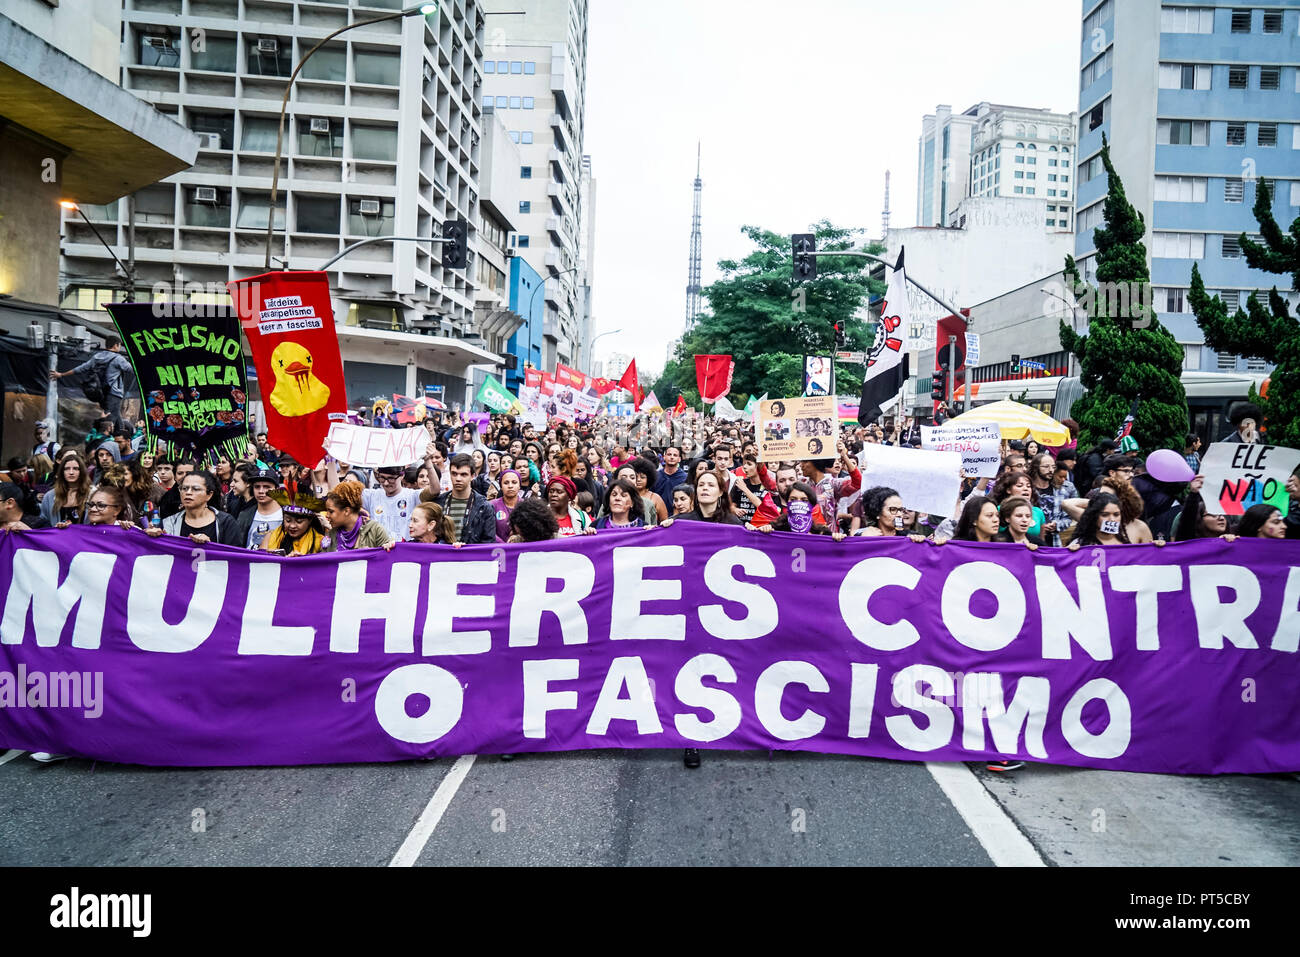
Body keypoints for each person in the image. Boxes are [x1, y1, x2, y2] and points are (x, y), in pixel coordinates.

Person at [49, 336, 135, 432]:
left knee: (116, 416)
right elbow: (132, 370)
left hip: (100, 392)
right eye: (119, 345)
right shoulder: (119, 359)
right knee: (109, 419)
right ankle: (103, 439)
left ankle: (122, 436)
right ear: (116, 345)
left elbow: (81, 368)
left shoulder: (97, 357)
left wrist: (61, 374)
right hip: (114, 393)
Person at [146, 470, 238, 546]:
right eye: (184, 488)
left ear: (209, 495)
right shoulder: (168, 523)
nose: (188, 492)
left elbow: (234, 558)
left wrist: (210, 547)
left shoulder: (226, 522)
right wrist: (151, 537)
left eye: (196, 489)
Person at [320, 480, 392, 552]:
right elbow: (322, 561)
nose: (327, 515)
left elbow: (389, 557)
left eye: (331, 511)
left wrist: (369, 555)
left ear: (346, 511)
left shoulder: (375, 530)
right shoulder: (331, 535)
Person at [754, 481, 844, 538]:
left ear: (811, 505)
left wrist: (838, 540)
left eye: (804, 500)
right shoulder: (775, 528)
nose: (798, 503)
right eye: (793, 499)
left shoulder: (821, 532)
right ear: (787, 502)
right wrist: (763, 531)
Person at [261, 488, 327, 556]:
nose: (292, 526)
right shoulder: (270, 536)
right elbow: (258, 563)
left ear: (310, 521)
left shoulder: (321, 542)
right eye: (288, 520)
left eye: (299, 522)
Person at [667, 469, 744, 525]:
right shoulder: (680, 521)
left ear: (720, 492)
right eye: (701, 485)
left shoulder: (733, 523)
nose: (705, 488)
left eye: (711, 485)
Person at [364, 466, 420, 543]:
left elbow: (434, 491)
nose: (386, 483)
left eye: (391, 478)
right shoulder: (371, 495)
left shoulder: (412, 495)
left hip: (403, 548)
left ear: (402, 476)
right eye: (382, 478)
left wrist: (428, 463)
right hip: (378, 549)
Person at [234, 468, 284, 550]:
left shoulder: (286, 515)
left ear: (277, 489)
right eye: (257, 487)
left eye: (266, 487)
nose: (261, 491)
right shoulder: (244, 515)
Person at [855, 486, 927, 542]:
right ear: (877, 512)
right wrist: (863, 540)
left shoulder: (910, 536)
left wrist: (919, 541)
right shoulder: (863, 535)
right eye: (893, 510)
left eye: (900, 510)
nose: (899, 514)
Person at [41, 452, 91, 527]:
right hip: (58, 538)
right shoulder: (49, 496)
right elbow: (43, 522)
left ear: (82, 471)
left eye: (75, 469)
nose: (71, 472)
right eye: (67, 469)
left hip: (84, 537)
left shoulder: (92, 494)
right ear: (62, 472)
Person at [1068, 493, 1132, 548]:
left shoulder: (1128, 542)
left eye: (1116, 514)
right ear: (1094, 516)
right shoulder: (1080, 544)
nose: (1112, 519)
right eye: (1105, 515)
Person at [387, 502, 460, 548]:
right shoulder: (408, 547)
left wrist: (461, 550)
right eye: (411, 520)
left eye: (415, 521)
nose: (410, 525)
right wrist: (390, 548)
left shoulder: (448, 548)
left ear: (431, 525)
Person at [1172, 495, 1237, 543]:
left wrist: (1233, 541)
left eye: (1222, 514)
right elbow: (1187, 518)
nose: (1221, 518)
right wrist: (1194, 493)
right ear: (1199, 519)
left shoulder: (1235, 534)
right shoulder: (1190, 542)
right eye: (1213, 514)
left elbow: (1246, 523)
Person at [490, 469, 523, 541]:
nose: (510, 486)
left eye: (514, 482)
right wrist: (505, 546)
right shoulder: (492, 505)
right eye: (506, 483)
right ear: (501, 486)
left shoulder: (527, 506)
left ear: (519, 486)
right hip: (498, 549)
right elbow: (489, 531)